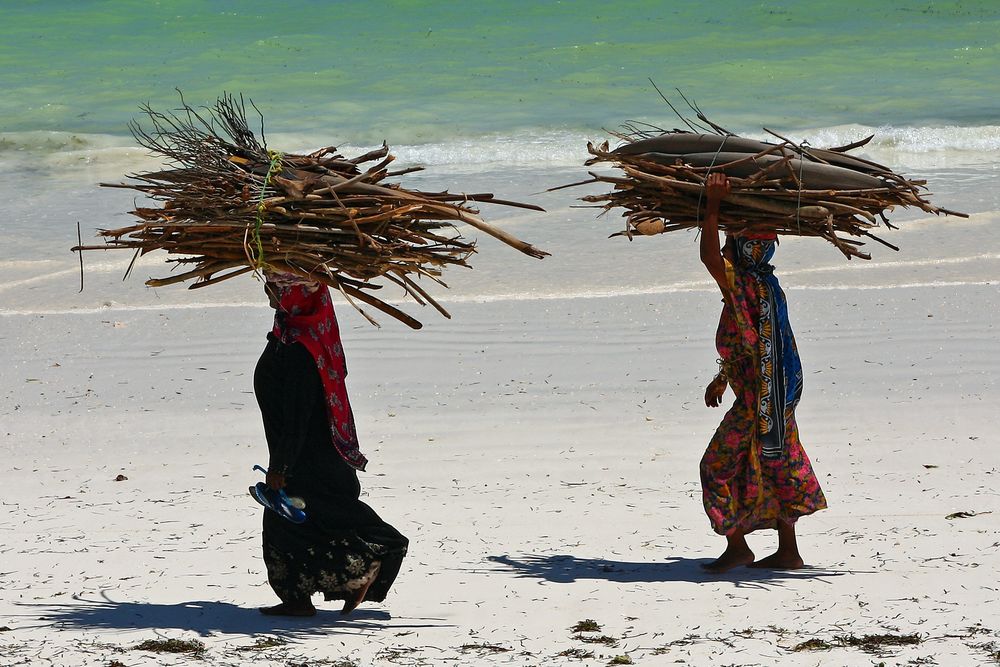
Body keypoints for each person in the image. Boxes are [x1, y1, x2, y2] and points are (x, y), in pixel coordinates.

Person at [254, 270, 408, 616]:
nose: (269, 291)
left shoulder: (300, 350)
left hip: (308, 459)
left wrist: (280, 468)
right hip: (306, 456)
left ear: (300, 296)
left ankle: (378, 557)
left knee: (318, 521)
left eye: (279, 288)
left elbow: (297, 418)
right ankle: (299, 599)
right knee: (298, 526)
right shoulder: (293, 332)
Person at [697, 172, 827, 573]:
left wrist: (713, 204)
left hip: (758, 401)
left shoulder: (741, 283)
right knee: (777, 461)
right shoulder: (769, 285)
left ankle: (737, 547)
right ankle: (788, 550)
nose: (726, 246)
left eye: (732, 242)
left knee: (716, 467)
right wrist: (724, 377)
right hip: (779, 396)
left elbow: (708, 258)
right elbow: (757, 341)